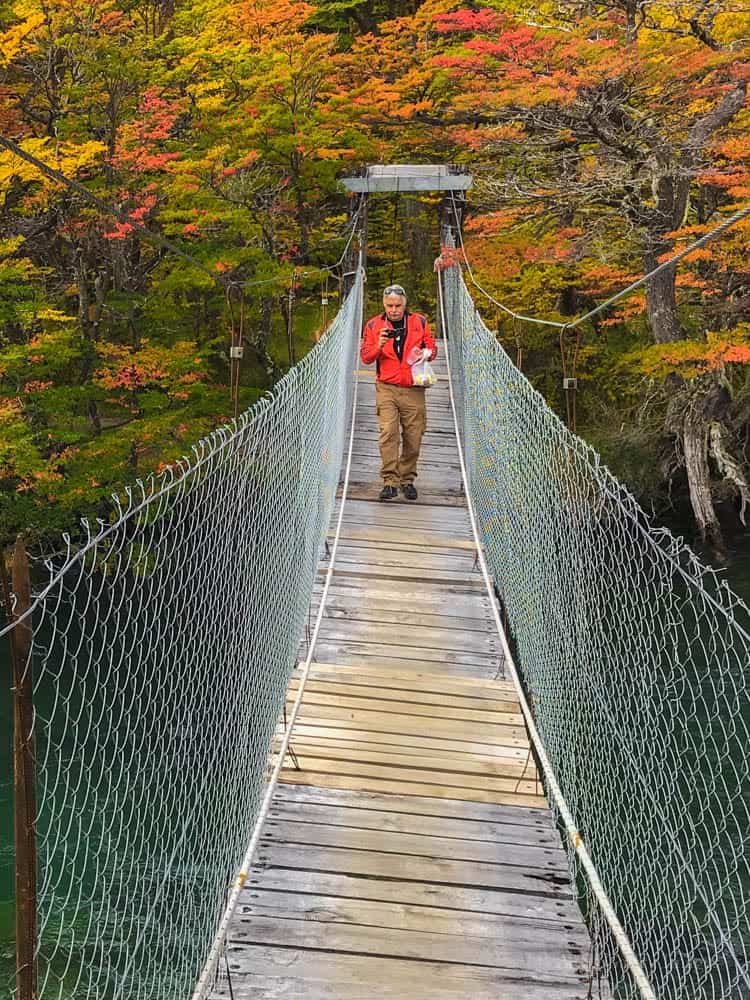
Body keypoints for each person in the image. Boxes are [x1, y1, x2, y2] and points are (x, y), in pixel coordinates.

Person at [360, 283, 437, 501]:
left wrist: (426, 352)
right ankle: (390, 481)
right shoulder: (374, 325)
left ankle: (407, 479)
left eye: (397, 305)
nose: (393, 310)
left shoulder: (419, 322)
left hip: (413, 387)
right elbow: (366, 357)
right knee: (388, 433)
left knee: (414, 436)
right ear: (384, 305)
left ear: (405, 304)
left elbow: (432, 349)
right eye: (389, 305)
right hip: (386, 387)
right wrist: (379, 344)